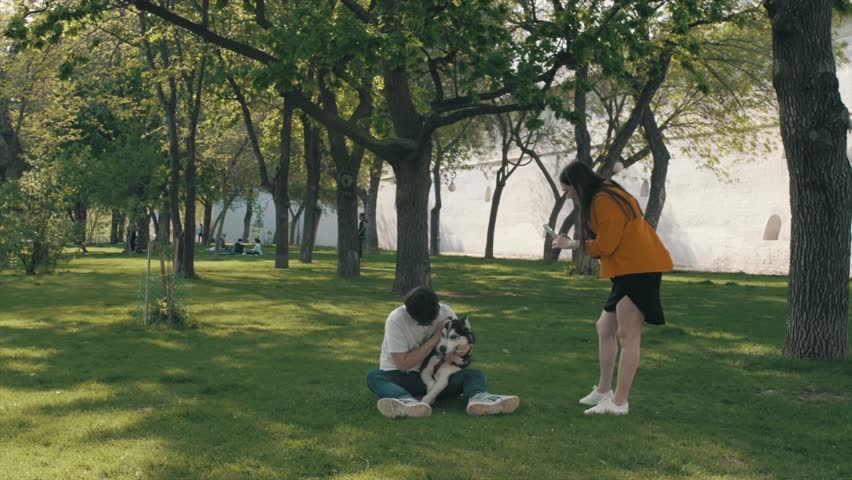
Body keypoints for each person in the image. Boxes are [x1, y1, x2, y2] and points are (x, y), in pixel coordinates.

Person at [551, 162, 673, 416]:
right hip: (628, 267)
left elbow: (606, 246)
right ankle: (604, 390)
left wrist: (571, 244)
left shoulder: (604, 200)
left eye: (567, 189)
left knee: (628, 335)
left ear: (578, 184)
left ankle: (619, 403)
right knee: (605, 327)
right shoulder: (604, 193)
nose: (567, 194)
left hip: (639, 268)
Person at [366, 286, 520, 419]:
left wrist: (465, 349)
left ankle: (480, 400)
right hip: (404, 378)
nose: (428, 324)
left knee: (475, 375)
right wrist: (435, 337)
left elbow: (464, 340)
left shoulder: (445, 311)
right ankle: (407, 402)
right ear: (409, 312)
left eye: (431, 320)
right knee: (374, 376)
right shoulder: (396, 320)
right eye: (422, 322)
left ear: (437, 308)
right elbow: (403, 364)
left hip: (438, 376)